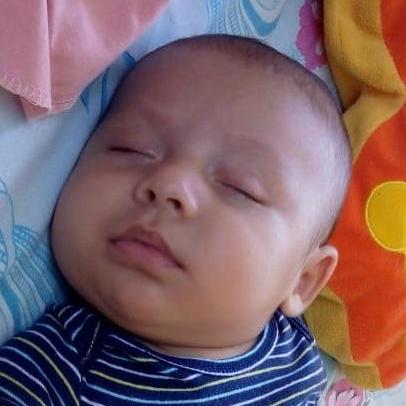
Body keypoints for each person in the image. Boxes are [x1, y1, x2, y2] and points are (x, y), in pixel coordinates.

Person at [0, 35, 351, 405]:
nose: (169, 184)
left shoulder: (296, 353)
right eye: (133, 149)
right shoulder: (51, 372)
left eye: (240, 187)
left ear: (302, 280)